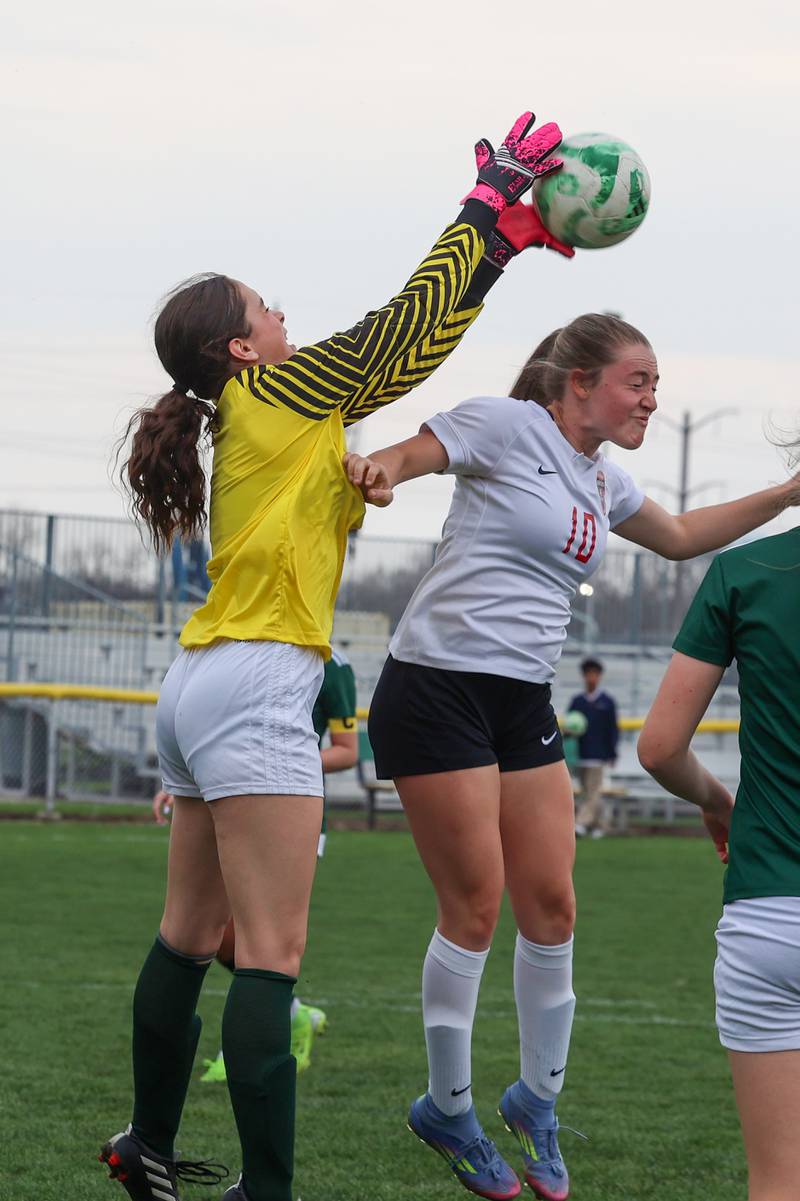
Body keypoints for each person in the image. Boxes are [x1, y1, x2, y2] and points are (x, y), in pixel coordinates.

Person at [99, 109, 569, 1201]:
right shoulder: (277, 389)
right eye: (268, 309)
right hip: (260, 676)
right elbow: (400, 332)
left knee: (190, 933)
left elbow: (407, 342)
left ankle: (146, 1145)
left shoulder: (258, 410)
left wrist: (494, 247)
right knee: (267, 952)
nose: (284, 316)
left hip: (201, 680)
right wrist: (480, 212)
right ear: (240, 347)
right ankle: (265, 1192)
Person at [343, 314, 800, 1201]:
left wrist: (785, 495)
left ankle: (535, 1099)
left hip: (519, 698)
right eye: (639, 380)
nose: (653, 399)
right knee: (475, 907)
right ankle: (447, 1105)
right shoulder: (509, 425)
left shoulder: (601, 476)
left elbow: (680, 535)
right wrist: (379, 473)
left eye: (656, 383)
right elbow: (411, 454)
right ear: (580, 379)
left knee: (552, 902)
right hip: (435, 684)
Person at [637, 526, 800, 1201]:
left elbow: (659, 748)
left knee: (778, 1182)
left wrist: (717, 801)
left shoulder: (746, 569)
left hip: (768, 912)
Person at [193, 645, 359, 1082]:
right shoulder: (242, 649)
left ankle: (243, 1048)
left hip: (288, 809)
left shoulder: (332, 664)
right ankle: (293, 1014)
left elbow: (347, 750)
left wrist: (280, 760)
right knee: (216, 935)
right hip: (232, 795)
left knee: (256, 934)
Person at [568, 657, 619, 838]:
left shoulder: (607, 702)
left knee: (593, 792)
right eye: (588, 674)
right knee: (588, 793)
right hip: (580, 755)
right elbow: (569, 729)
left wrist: (612, 754)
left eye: (594, 674)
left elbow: (612, 729)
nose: (591, 677)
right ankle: (600, 826)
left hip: (598, 756)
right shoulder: (577, 702)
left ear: (599, 676)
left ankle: (580, 824)